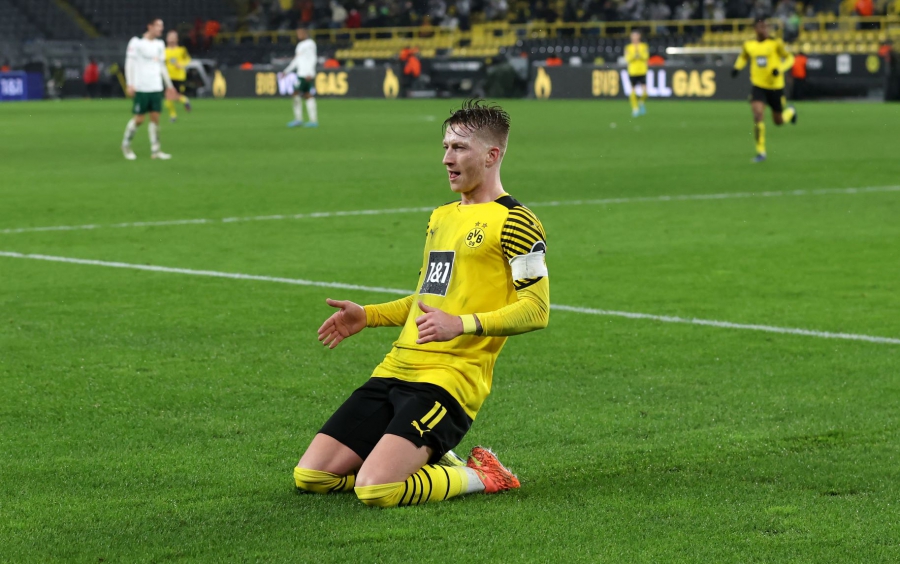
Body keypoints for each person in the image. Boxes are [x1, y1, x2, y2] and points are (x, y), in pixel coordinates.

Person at [294, 99, 550, 508]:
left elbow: (536, 309)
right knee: (313, 476)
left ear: (491, 155)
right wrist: (369, 316)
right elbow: (430, 298)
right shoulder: (441, 216)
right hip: (396, 368)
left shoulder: (517, 221)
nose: (447, 158)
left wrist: (460, 324)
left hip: (449, 381)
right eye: (446, 147)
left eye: (459, 148)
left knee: (375, 489)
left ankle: (482, 475)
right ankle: (420, 458)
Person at [731, 18, 797, 163]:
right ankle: (761, 151)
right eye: (761, 27)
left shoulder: (775, 43)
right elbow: (743, 57)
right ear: (755, 29)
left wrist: (779, 69)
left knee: (778, 121)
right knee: (758, 114)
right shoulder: (749, 45)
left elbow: (790, 58)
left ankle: (791, 111)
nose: (764, 29)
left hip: (775, 87)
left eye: (766, 27)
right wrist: (737, 67)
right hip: (758, 86)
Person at [122, 18, 177, 160]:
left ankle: (156, 150)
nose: (161, 29)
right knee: (139, 119)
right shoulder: (136, 42)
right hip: (141, 86)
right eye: (158, 26)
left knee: (155, 118)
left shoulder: (160, 44)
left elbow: (162, 66)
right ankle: (126, 145)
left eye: (162, 26)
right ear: (150, 26)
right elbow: (129, 63)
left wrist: (169, 86)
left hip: (156, 86)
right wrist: (130, 83)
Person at [282, 27, 318, 128]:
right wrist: (286, 71)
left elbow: (313, 58)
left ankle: (299, 119)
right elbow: (296, 61)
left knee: (296, 93)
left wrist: (310, 72)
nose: (299, 35)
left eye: (300, 33)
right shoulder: (300, 45)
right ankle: (312, 121)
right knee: (307, 94)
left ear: (306, 33)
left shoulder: (310, 44)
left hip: (305, 74)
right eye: (297, 33)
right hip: (302, 73)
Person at [164, 30, 193, 123]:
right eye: (170, 36)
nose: (171, 38)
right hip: (168, 77)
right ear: (167, 38)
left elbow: (188, 60)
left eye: (173, 36)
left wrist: (182, 64)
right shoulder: (164, 51)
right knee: (169, 96)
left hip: (179, 77)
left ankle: (184, 101)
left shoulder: (181, 50)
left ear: (177, 39)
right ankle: (173, 115)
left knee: (174, 97)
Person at [624, 29, 649, 117]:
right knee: (633, 90)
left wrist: (640, 55)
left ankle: (641, 101)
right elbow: (627, 58)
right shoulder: (628, 47)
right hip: (633, 71)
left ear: (639, 36)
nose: (634, 37)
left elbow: (646, 56)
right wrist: (634, 56)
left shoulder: (644, 46)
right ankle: (635, 109)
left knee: (645, 92)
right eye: (633, 36)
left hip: (642, 70)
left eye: (636, 35)